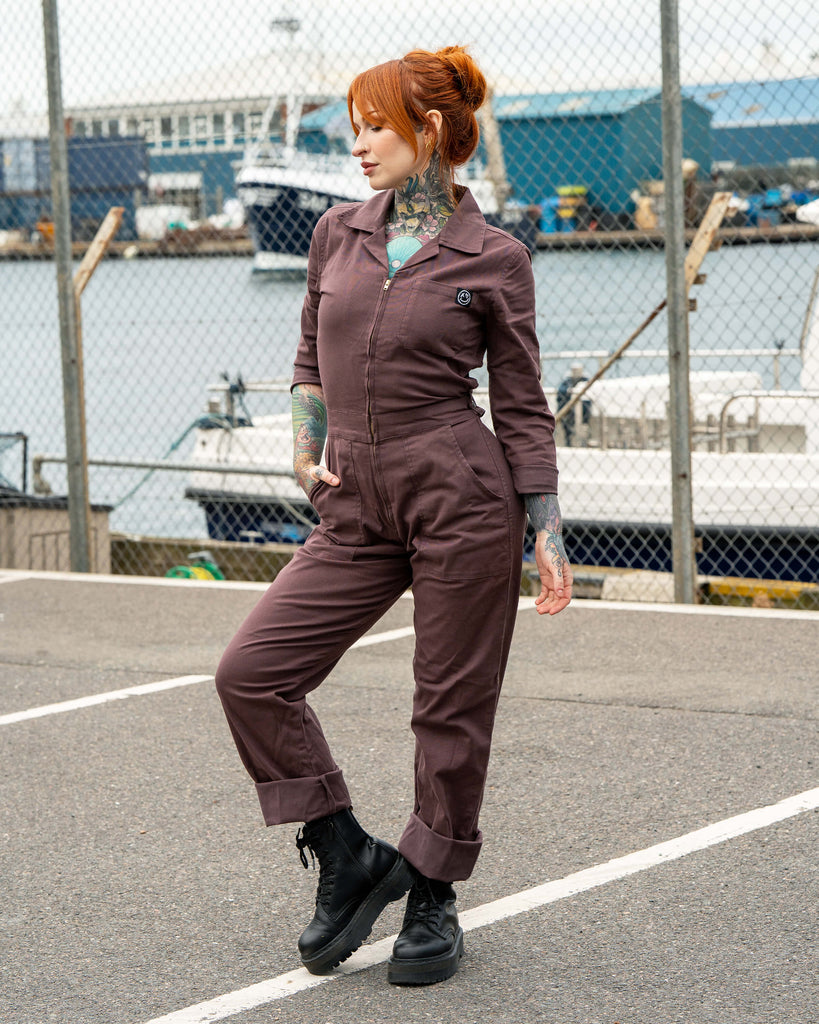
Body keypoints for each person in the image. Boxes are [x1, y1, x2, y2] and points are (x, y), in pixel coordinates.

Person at [215, 44, 573, 987]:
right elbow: (305, 358)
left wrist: (545, 527)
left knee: (447, 709)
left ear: (432, 131)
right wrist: (302, 450)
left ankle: (433, 898)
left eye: (375, 124)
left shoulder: (494, 257)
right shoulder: (337, 233)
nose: (360, 143)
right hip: (353, 501)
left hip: (461, 495)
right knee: (251, 672)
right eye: (355, 126)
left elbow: (522, 403)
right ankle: (345, 851)